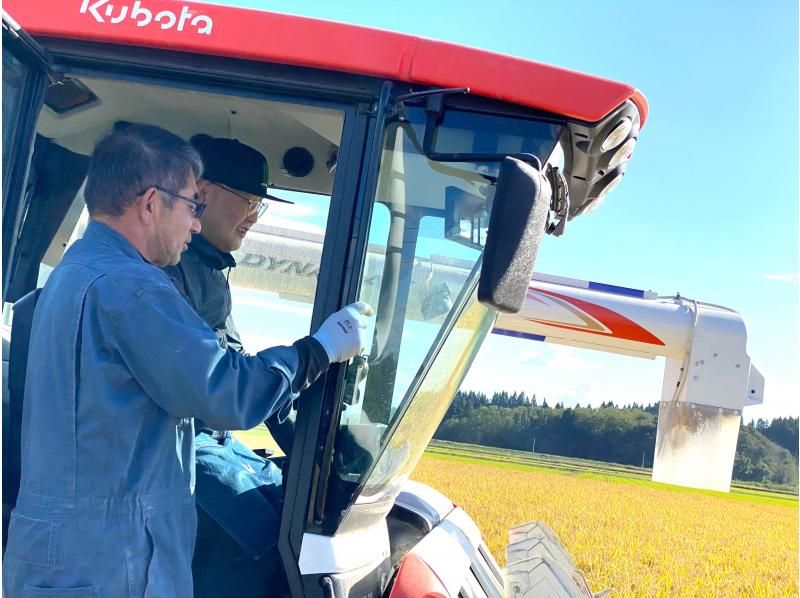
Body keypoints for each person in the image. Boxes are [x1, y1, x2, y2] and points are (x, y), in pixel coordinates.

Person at [2, 123, 373, 597]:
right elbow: (225, 392)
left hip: (82, 555)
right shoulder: (132, 288)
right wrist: (318, 351)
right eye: (191, 206)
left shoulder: (81, 270)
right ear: (152, 203)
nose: (195, 224)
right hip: (106, 566)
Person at [161, 135, 312, 596]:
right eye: (248, 200)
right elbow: (211, 392)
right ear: (201, 194)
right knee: (262, 549)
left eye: (260, 205)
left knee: (292, 507)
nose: (254, 215)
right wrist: (313, 355)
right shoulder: (165, 273)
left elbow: (236, 363)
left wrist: (308, 443)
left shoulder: (209, 274)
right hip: (175, 447)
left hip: (214, 441)